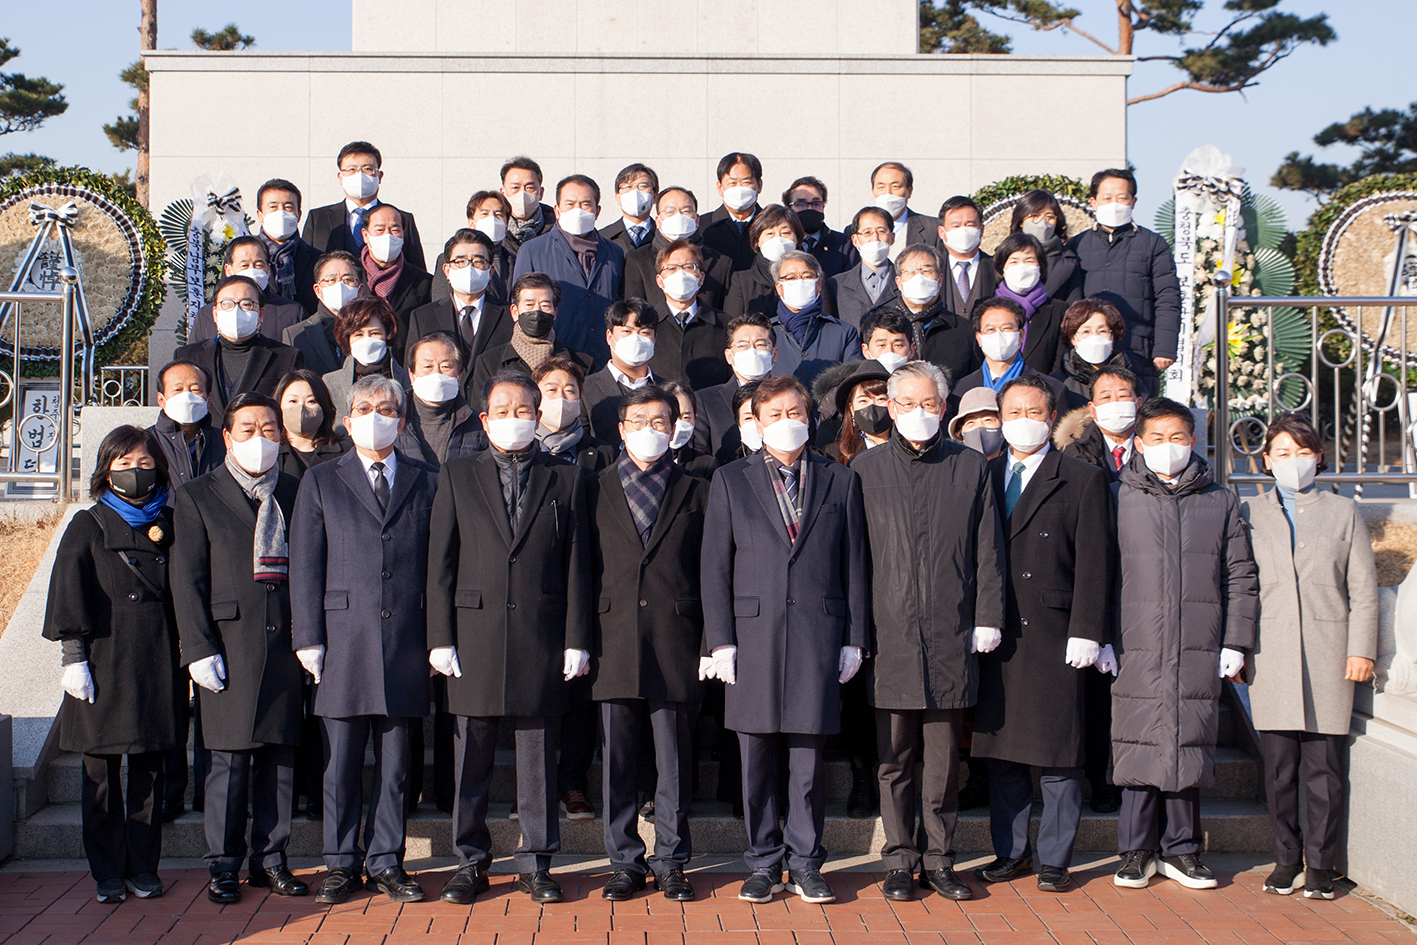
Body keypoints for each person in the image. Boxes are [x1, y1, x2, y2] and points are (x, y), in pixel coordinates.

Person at [425, 371, 593, 906]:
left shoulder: (566, 478)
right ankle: (469, 861)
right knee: (470, 759)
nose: (514, 419)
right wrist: (440, 637)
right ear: (484, 418)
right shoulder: (457, 475)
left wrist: (577, 638)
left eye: (524, 410)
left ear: (538, 416)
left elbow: (578, 565)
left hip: (542, 633)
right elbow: (440, 564)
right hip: (473, 634)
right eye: (502, 411)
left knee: (538, 757)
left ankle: (536, 863)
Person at [701, 375, 869, 905]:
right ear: (755, 422)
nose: (786, 421)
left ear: (811, 416)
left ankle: (806, 863)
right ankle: (762, 862)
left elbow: (855, 565)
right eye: (774, 414)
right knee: (755, 761)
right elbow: (715, 567)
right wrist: (719, 641)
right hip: (751, 637)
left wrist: (854, 638)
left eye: (795, 412)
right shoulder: (730, 479)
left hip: (819, 635)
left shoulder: (840, 480)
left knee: (807, 763)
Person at [851, 361, 1004, 903]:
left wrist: (987, 617)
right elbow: (853, 559)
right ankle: (899, 859)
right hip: (888, 633)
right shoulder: (864, 470)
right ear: (891, 408)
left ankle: (940, 859)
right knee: (893, 758)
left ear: (943, 407)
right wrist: (855, 632)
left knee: (942, 762)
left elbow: (988, 550)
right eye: (908, 403)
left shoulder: (970, 466)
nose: (919, 412)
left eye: (930, 404)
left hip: (951, 632)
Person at [289, 374, 439, 905]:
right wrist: (308, 636)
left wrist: (437, 638)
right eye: (366, 409)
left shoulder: (427, 480)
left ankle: (386, 861)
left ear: (402, 421)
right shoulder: (321, 480)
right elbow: (305, 563)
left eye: (388, 409)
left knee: (396, 765)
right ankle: (340, 863)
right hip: (342, 639)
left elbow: (440, 565)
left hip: (407, 638)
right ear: (348, 422)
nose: (378, 417)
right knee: (341, 762)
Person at [971, 376, 1115, 894]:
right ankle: (1010, 852)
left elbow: (1096, 561)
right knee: (1004, 752)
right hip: (996, 629)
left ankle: (1055, 858)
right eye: (1013, 412)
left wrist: (1089, 631)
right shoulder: (982, 474)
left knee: (1060, 753)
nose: (1023, 421)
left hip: (1056, 632)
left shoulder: (1081, 478)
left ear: (1052, 418)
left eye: (1034, 412)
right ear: (1000, 419)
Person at [1111, 397, 1257, 891]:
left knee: (1188, 741)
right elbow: (1099, 574)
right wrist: (1102, 636)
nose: (1168, 446)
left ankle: (1183, 849)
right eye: (1157, 438)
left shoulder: (1218, 500)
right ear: (1138, 443)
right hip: (1135, 642)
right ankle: (1136, 850)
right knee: (1137, 740)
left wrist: (1236, 641)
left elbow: (1240, 574)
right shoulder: (1117, 496)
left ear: (1192, 441)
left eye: (1177, 437)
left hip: (1198, 640)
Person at [171, 392, 308, 904]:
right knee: (227, 762)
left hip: (285, 642)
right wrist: (198, 648)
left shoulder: (297, 490)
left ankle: (271, 859)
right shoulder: (198, 495)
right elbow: (187, 578)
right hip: (227, 645)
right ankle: (223, 865)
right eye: (247, 429)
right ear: (227, 437)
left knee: (279, 759)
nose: (259, 438)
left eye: (269, 429)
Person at [43, 425, 184, 904]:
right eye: (124, 464)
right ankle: (106, 871)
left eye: (145, 463)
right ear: (106, 470)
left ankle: (144, 867)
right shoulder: (88, 524)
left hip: (156, 661)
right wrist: (73, 657)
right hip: (102, 664)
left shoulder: (171, 521)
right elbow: (68, 591)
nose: (136, 472)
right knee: (100, 776)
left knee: (149, 773)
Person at [1240, 414, 1377, 901]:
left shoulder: (1343, 512)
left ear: (1318, 457)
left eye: (1302, 452)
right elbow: (1240, 587)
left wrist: (1361, 649)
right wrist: (1237, 648)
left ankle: (1320, 865)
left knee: (1325, 769)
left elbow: (1364, 589)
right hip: (1270, 654)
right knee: (1280, 770)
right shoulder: (1248, 513)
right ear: (1266, 460)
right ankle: (1286, 860)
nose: (1293, 461)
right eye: (1282, 453)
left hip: (1328, 653)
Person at [590, 386, 709, 902]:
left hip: (676, 637)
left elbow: (711, 570)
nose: (649, 430)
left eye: (660, 421)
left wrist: (710, 642)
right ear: (621, 429)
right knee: (617, 761)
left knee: (673, 761)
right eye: (638, 421)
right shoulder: (593, 488)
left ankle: (672, 860)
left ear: (675, 427)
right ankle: (624, 862)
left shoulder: (698, 489)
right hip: (611, 637)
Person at [1070, 169, 1181, 396]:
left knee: (1138, 408)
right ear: (1093, 202)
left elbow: (1168, 297)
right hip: (1088, 350)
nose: (1114, 204)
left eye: (1122, 198)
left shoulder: (1153, 244)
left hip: (1137, 350)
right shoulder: (1077, 245)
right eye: (1107, 198)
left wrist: (1164, 348)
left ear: (1133, 201)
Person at [513, 173, 626, 363]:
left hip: (603, 358)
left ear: (597, 211)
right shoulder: (532, 250)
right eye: (570, 204)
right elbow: (521, 307)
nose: (578, 210)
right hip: (554, 359)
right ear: (557, 210)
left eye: (585, 204)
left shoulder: (614, 252)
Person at [174, 275, 304, 421]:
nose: (236, 310)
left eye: (246, 304)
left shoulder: (286, 357)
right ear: (215, 314)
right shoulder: (188, 357)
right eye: (227, 304)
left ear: (261, 314)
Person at [406, 230, 512, 403]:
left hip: (493, 409)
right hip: (441, 409)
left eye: (478, 261)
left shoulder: (509, 316)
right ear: (447, 270)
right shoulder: (423, 317)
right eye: (460, 261)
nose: (469, 268)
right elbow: (412, 371)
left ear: (491, 271)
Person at [302, 140, 426, 269]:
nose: (359, 175)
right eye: (352, 169)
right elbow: (305, 266)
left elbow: (418, 272)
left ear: (379, 176)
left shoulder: (402, 219)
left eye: (367, 169)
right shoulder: (318, 219)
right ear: (340, 177)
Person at [471, 272, 592, 397]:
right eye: (529, 305)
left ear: (555, 313)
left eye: (545, 305)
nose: (537, 311)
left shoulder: (582, 363)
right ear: (514, 312)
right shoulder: (489, 363)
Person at [623, 186, 735, 311]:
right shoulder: (638, 260)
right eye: (670, 212)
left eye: (686, 211)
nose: (678, 216)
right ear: (658, 221)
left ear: (697, 219)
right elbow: (633, 312)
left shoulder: (722, 263)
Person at [645, 239, 732, 391]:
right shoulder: (646, 325)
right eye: (671, 268)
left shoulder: (724, 324)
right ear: (659, 281)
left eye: (688, 267)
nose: (681, 274)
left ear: (701, 278)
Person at [187, 237, 309, 344]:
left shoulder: (293, 312)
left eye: (258, 265)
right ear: (228, 270)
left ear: (268, 269)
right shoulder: (207, 315)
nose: (252, 270)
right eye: (244, 265)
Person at [765, 250, 859, 387]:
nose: (800, 282)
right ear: (779, 287)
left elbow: (853, 385)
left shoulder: (844, 332)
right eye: (791, 278)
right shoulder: (766, 332)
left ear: (818, 284)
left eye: (807, 276)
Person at [952, 298, 1067, 407]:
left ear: (1021, 335)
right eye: (990, 329)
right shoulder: (960, 391)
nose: (998, 335)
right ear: (979, 338)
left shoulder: (1052, 389)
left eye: (1006, 328)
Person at [694, 313, 778, 458]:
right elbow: (700, 458)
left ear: (775, 354)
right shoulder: (705, 401)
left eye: (760, 344)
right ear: (729, 356)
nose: (752, 351)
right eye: (742, 345)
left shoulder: (791, 399)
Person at [323, 297, 411, 436]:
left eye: (375, 333)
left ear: (387, 334)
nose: (367, 340)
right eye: (358, 334)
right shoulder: (331, 383)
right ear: (348, 339)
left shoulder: (408, 381)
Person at [357, 203, 432, 363]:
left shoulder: (424, 282)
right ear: (365, 235)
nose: (388, 236)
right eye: (380, 229)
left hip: (404, 366)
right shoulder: (352, 276)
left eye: (395, 229)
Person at [583, 299, 662, 447]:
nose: (636, 339)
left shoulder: (668, 389)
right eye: (627, 331)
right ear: (609, 336)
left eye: (644, 333)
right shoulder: (584, 389)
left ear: (654, 339)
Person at [399, 333, 486, 466]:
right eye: (428, 367)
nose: (437, 374)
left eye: (446, 367)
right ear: (411, 375)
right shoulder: (394, 422)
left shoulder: (479, 426)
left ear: (459, 376)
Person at [1052, 297, 1152, 410]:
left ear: (1112, 336)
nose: (1095, 337)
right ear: (1072, 338)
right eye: (1086, 331)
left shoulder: (1131, 380)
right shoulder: (1059, 383)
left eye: (1102, 331)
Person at [990, 232, 1066, 376]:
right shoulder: (987, 309)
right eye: (1014, 262)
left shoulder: (1059, 310)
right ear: (1002, 269)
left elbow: (1059, 361)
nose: (1022, 268)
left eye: (1029, 261)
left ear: (1040, 268)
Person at [151, 359, 226, 501]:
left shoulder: (225, 442)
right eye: (178, 390)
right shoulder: (146, 443)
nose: (187, 396)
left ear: (208, 399)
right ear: (161, 400)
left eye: (195, 390)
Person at [1054, 364, 1143, 483]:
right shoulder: (1075, 453)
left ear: (1138, 403)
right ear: (1092, 409)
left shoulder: (1155, 446)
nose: (1114, 403)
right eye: (1106, 397)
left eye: (1123, 396)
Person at [283, 251, 363, 377]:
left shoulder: (374, 330)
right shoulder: (295, 335)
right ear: (318, 290)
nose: (340, 285)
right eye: (331, 280)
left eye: (348, 279)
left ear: (360, 289)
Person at [533, 356, 617, 473]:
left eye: (569, 391)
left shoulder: (604, 453)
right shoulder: (520, 448)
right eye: (552, 390)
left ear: (579, 398)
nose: (561, 397)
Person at [430, 191, 515, 303]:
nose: (492, 219)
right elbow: (441, 300)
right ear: (471, 223)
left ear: (506, 225)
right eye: (484, 214)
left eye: (498, 214)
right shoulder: (452, 259)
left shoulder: (516, 259)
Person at [723, 204, 806, 318]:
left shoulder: (812, 278)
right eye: (770, 234)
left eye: (785, 233)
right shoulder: (742, 281)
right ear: (757, 240)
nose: (778, 239)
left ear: (797, 238)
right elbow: (733, 324)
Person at [254, 178, 322, 315]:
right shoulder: (243, 254)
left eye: (288, 207)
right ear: (260, 215)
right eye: (273, 207)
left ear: (299, 215)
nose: (281, 213)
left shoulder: (318, 259)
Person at [1007, 189, 1082, 302]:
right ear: (1021, 221)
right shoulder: (1004, 256)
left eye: (1050, 217)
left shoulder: (1068, 261)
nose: (1042, 222)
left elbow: (1073, 304)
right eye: (1034, 216)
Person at [831, 206, 900, 328]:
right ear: (855, 240)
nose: (875, 239)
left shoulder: (905, 282)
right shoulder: (836, 285)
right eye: (867, 232)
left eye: (881, 231)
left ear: (892, 237)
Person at [275, 370, 349, 481]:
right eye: (293, 401)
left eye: (311, 401)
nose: (301, 408)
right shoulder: (270, 453)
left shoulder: (346, 453)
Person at [783, 176, 857, 279]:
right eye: (801, 204)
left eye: (816, 204)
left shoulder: (844, 244)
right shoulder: (782, 244)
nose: (809, 208)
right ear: (788, 208)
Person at [702, 152, 764, 272]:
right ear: (720, 187)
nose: (739, 188)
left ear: (759, 185)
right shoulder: (703, 226)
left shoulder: (771, 225)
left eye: (746, 182)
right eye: (732, 183)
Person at [867, 162, 942, 258]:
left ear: (909, 191)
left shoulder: (932, 228)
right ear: (873, 191)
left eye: (895, 186)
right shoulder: (855, 231)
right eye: (881, 187)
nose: (888, 193)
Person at [937, 197, 996, 316]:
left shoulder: (996, 267)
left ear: (981, 230)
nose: (964, 231)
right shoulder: (934, 269)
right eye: (956, 226)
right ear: (942, 232)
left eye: (970, 225)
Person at [827, 359, 892, 463]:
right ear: (851, 409)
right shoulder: (834, 454)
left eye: (881, 399)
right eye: (863, 401)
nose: (872, 406)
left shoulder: (910, 449)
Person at [500, 155, 556, 258]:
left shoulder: (558, 230)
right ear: (503, 193)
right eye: (515, 187)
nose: (522, 193)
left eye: (529, 187)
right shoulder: (495, 229)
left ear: (541, 193)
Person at [662, 380, 718, 478]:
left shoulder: (706, 465)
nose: (678, 424)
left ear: (694, 419)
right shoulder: (642, 461)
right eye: (673, 416)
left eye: (686, 417)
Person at [601, 162, 659, 254]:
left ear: (655, 196)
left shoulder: (665, 235)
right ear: (618, 197)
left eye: (643, 186)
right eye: (628, 186)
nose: (635, 192)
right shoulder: (602, 238)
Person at [948, 386, 1004, 459]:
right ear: (960, 433)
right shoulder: (952, 464)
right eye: (970, 422)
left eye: (988, 420)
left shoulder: (1013, 464)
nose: (979, 427)